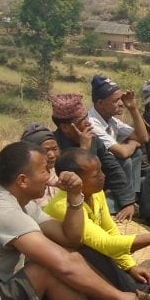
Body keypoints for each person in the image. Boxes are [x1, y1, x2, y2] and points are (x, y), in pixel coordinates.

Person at [0, 142, 150, 300]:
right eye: (44, 171)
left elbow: (70, 238)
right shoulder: (5, 211)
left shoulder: (20, 203)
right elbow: (63, 263)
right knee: (47, 267)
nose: (50, 177)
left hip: (2, 293)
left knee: (65, 255)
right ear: (23, 180)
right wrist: (116, 296)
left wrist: (75, 195)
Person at [44, 148, 150, 294]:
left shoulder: (96, 193)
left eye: (101, 170)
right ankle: (141, 294)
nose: (103, 176)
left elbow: (110, 230)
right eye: (96, 174)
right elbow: (105, 244)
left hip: (100, 258)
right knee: (91, 252)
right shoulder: (63, 206)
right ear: (75, 180)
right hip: (71, 267)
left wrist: (129, 266)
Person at [51, 93, 137, 221]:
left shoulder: (93, 140)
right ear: (64, 127)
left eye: (87, 118)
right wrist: (84, 150)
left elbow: (113, 169)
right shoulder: (53, 146)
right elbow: (74, 183)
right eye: (82, 121)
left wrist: (128, 203)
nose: (88, 124)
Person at [87, 75, 149, 208]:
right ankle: (119, 203)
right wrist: (132, 143)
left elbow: (144, 138)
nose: (121, 103)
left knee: (136, 154)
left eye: (121, 99)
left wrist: (133, 108)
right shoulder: (92, 123)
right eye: (116, 100)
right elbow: (122, 153)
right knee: (124, 160)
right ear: (100, 104)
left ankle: (132, 197)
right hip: (99, 173)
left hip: (113, 171)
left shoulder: (111, 119)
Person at [20, 123, 61, 208]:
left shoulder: (60, 172)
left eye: (55, 149)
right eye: (45, 150)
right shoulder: (23, 181)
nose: (52, 155)